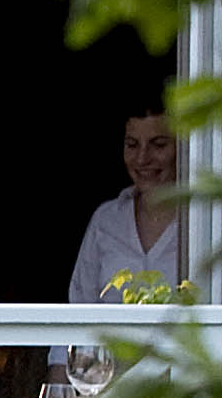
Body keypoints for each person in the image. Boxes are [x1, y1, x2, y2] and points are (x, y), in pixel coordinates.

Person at [65, 104, 186, 312]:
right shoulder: (106, 219)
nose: (142, 158)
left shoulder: (206, 219)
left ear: (184, 147)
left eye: (158, 145)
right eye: (132, 145)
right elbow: (79, 308)